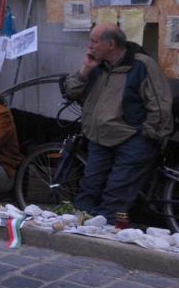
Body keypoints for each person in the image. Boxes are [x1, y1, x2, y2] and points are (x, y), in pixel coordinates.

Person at [64, 24, 172, 221]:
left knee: (115, 196)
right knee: (90, 188)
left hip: (132, 138)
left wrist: (147, 137)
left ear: (111, 44)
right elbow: (71, 91)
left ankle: (104, 238)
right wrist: (85, 70)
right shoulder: (97, 65)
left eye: (94, 42)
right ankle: (76, 229)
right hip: (99, 137)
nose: (90, 47)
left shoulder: (142, 65)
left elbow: (160, 105)